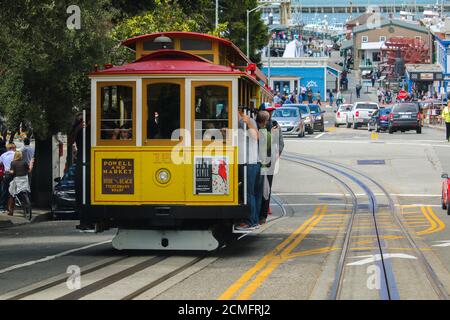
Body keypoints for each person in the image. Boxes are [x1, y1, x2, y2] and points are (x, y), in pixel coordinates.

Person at [236, 107, 261, 230]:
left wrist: (248, 123)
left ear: (238, 111)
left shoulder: (246, 121)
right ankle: (254, 220)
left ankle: (249, 221)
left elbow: (255, 136)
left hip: (249, 163)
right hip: (248, 162)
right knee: (250, 193)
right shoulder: (240, 122)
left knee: (248, 193)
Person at [259, 107, 284, 225]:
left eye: (271, 112)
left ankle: (263, 210)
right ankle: (263, 211)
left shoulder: (273, 125)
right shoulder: (271, 125)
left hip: (265, 161)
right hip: (264, 160)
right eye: (269, 112)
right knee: (264, 187)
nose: (270, 114)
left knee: (264, 186)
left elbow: (280, 143)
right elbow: (280, 144)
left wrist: (276, 155)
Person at [8, 151, 32, 219]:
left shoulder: (13, 163)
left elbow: (12, 172)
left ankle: (11, 211)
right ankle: (28, 207)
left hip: (17, 179)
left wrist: (8, 171)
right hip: (24, 179)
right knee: (26, 191)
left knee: (11, 193)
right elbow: (29, 170)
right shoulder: (24, 162)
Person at [0, 143, 16, 214]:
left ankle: (2, 207)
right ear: (13, 147)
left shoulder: (3, 155)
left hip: (6, 174)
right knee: (13, 190)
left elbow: (0, 164)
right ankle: (12, 207)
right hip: (14, 174)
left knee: (5, 189)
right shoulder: (16, 154)